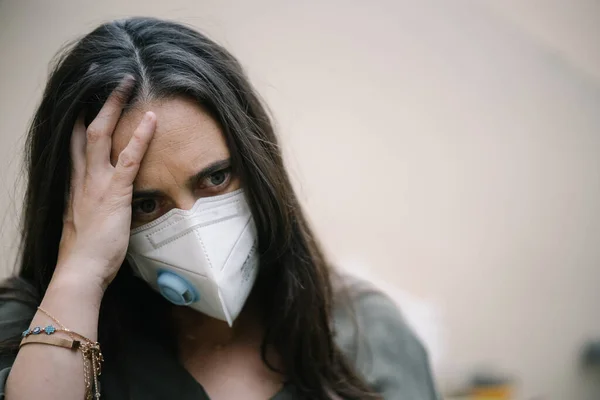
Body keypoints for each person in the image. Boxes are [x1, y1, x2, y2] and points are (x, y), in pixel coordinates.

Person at [0, 17, 439, 400]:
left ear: (257, 164)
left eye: (216, 178)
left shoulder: (369, 334)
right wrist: (80, 274)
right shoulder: (28, 336)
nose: (196, 232)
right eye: (146, 204)